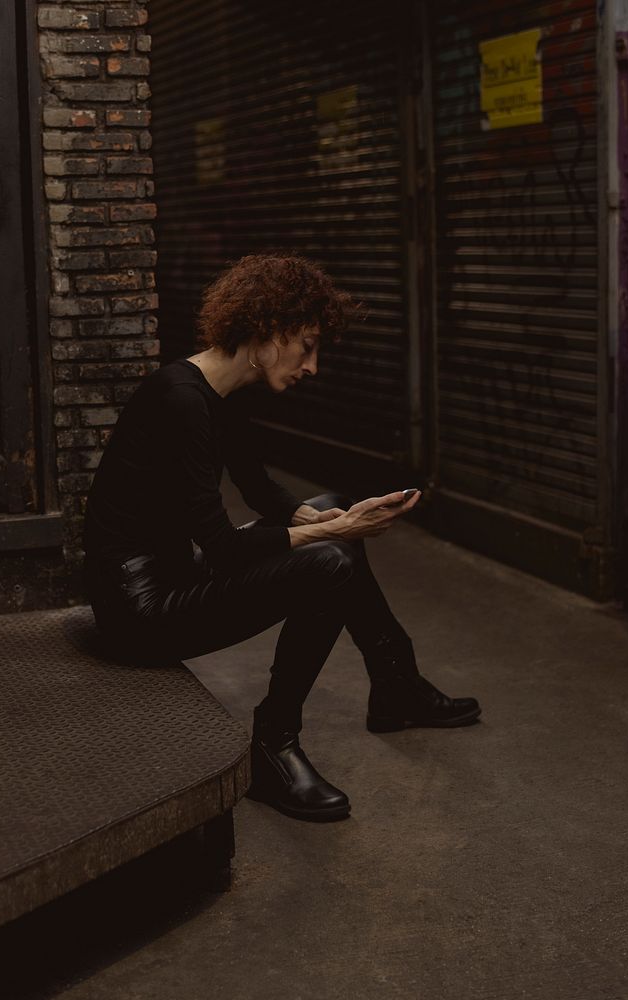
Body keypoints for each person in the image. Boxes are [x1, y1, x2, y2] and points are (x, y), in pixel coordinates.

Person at [83, 253, 481, 824]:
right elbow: (221, 545)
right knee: (330, 562)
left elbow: (261, 489)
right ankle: (276, 742)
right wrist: (340, 530)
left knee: (323, 517)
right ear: (266, 332)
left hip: (176, 572)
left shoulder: (218, 393)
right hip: (141, 611)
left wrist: (327, 517)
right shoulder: (180, 399)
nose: (312, 366)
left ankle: (396, 682)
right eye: (307, 344)